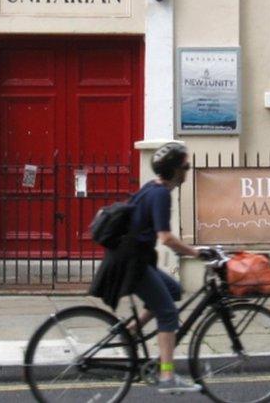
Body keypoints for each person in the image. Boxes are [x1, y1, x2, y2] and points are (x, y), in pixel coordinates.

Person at [89, 142, 202, 394]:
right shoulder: (161, 194)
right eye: (185, 166)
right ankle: (167, 376)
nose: (187, 170)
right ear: (174, 170)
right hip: (132, 263)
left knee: (173, 290)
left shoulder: (152, 188)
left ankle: (131, 331)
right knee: (169, 314)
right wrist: (196, 253)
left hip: (133, 258)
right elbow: (166, 238)